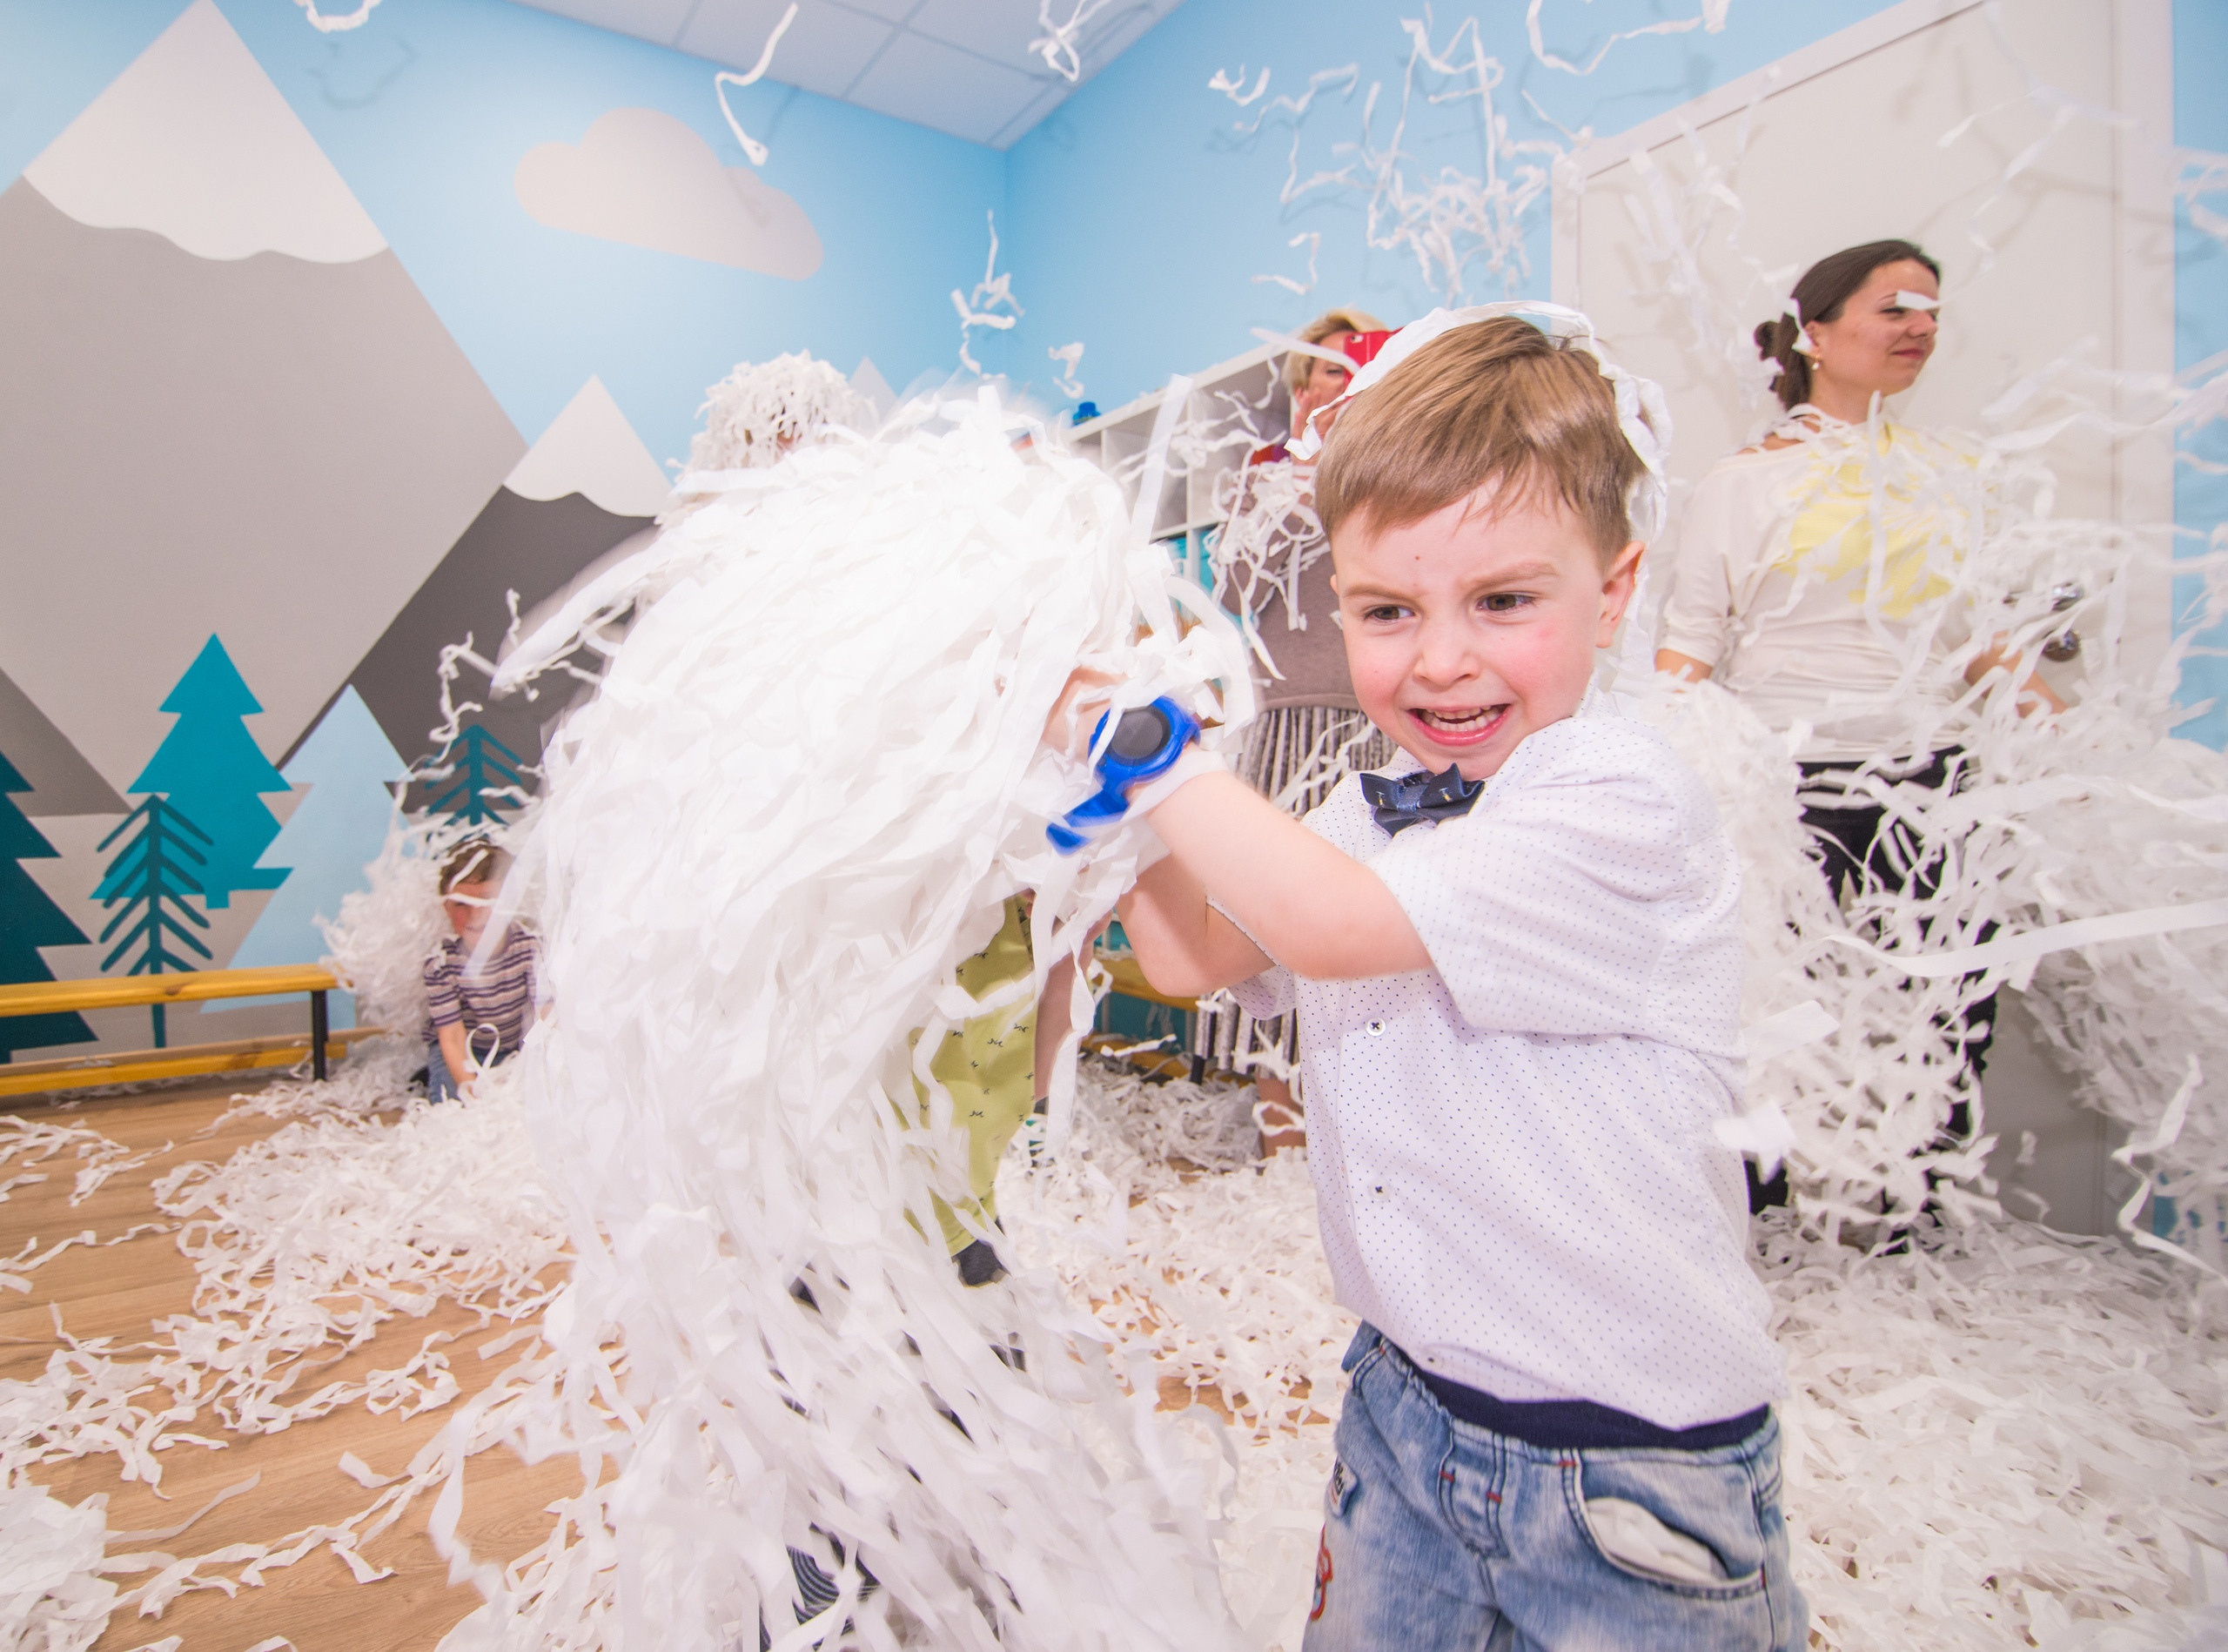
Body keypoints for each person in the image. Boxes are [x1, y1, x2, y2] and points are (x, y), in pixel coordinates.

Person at [1062, 311, 1805, 1649]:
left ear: (1617, 589)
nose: (1442, 659)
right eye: (1390, 611)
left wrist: (1152, 755)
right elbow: (1190, 959)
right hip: (1404, 1414)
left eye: (1505, 601)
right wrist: (1111, 822)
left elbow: (1333, 925)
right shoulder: (1377, 803)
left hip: (1629, 1471)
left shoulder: (1617, 797)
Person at [1654, 239, 2064, 1200]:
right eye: (1896, 308)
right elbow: (1691, 644)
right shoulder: (1742, 482)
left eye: (1931, 309)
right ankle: (1761, 1218)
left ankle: (1907, 1225)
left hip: (1934, 783)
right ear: (1816, 333)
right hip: (1787, 792)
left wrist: (2068, 732)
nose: (1921, 326)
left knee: (1946, 1007)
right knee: (1776, 1011)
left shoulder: (1944, 475)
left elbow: (1977, 635)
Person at [1203, 306, 1395, 1152]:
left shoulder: (1394, 474)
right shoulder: (1260, 478)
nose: (1337, 378)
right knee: (1274, 929)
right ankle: (1284, 1142)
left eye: (1356, 363)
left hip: (1382, 727)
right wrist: (1307, 464)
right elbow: (1237, 585)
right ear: (1296, 385)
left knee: (1369, 938)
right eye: (1321, 367)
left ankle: (1364, 1138)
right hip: (1285, 727)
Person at [422, 841, 539, 1103]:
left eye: (488, 901)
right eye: (462, 904)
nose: (477, 914)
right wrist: (471, 1092)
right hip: (464, 1049)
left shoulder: (530, 947)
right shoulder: (441, 963)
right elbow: (451, 1037)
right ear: (446, 907)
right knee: (450, 1104)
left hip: (514, 1047)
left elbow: (543, 1017)